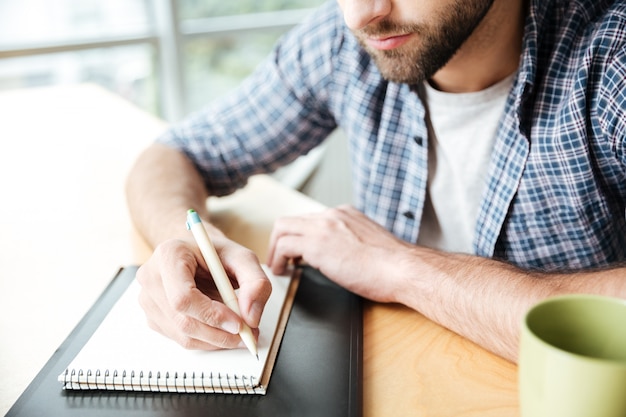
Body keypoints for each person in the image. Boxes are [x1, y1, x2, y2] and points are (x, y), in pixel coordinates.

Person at [126, 0, 626, 363]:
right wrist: (185, 238)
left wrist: (401, 267)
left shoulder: (612, 57)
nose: (358, 14)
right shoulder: (344, 42)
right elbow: (174, 155)